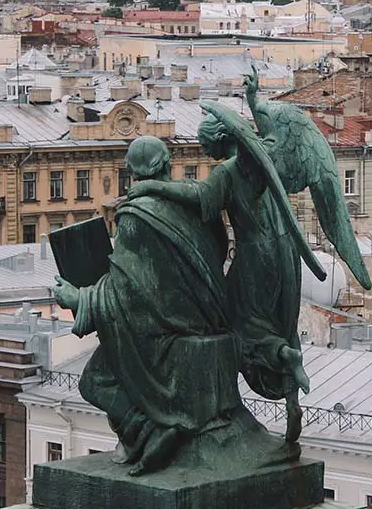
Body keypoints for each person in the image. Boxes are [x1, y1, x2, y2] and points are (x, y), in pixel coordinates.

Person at [53, 136, 238, 475]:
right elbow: (215, 254)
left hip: (164, 331)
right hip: (206, 317)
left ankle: (150, 430)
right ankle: (153, 431)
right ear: (168, 164)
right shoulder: (195, 202)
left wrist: (80, 299)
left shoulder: (137, 215)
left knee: (95, 380)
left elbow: (130, 290)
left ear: (131, 174)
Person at [128, 113, 310, 442]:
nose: (205, 150)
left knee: (236, 327)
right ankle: (290, 396)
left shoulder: (228, 171)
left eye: (206, 143)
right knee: (282, 321)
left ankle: (279, 356)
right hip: (285, 253)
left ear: (221, 139)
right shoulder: (261, 163)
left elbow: (201, 200)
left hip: (254, 256)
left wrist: (151, 186)